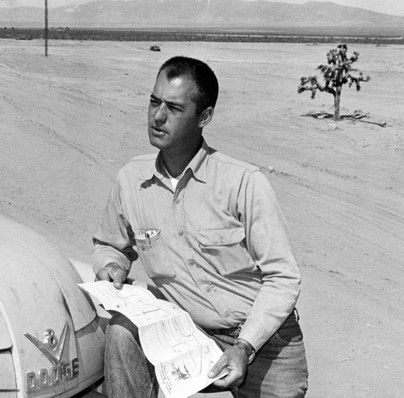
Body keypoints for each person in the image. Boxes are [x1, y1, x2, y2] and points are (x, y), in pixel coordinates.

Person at [92, 56, 308, 397]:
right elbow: (110, 245)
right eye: (153, 102)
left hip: (263, 339)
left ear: (204, 117)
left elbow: (283, 278)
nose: (157, 116)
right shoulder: (131, 179)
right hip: (186, 332)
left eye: (174, 108)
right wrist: (111, 266)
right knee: (122, 331)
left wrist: (244, 347)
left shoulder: (243, 182)